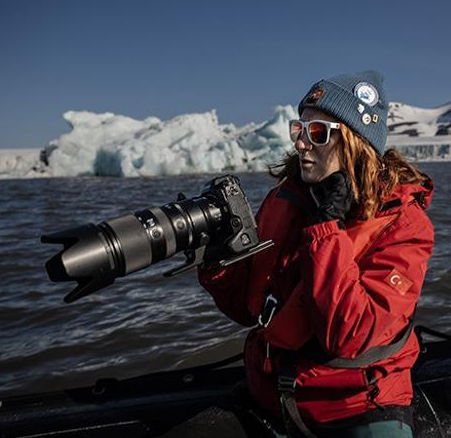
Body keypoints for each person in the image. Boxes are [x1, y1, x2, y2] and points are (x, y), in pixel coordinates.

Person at [182, 70, 434, 438]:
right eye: (299, 131)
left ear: (355, 143)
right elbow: (248, 310)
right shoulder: (286, 199)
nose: (301, 143)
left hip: (355, 406)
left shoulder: (404, 225)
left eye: (318, 134)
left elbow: (350, 336)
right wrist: (217, 262)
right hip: (268, 393)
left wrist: (325, 228)